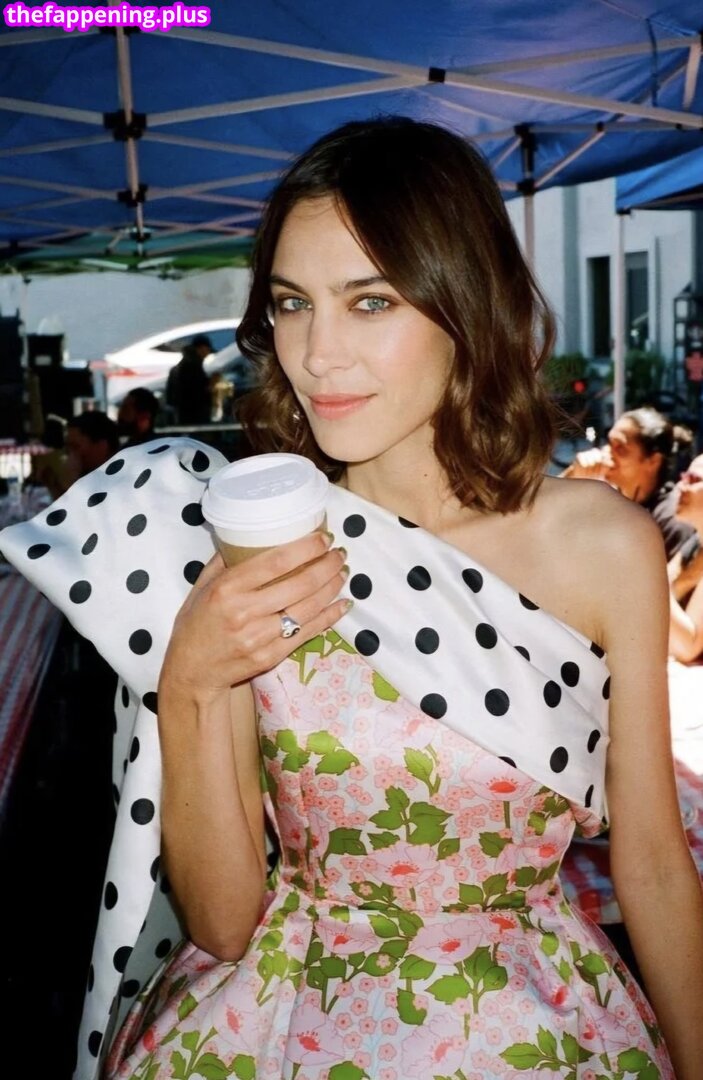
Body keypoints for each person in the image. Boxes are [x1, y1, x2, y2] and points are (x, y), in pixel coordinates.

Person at [91, 117, 703, 1080]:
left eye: (370, 301)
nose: (317, 354)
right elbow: (221, 921)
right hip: (281, 1022)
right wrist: (193, 680)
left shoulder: (601, 545)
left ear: (467, 303)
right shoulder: (247, 547)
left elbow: (656, 865)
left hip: (529, 1030)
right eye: (292, 304)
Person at [562, 406, 698, 559]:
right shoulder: (607, 501)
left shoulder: (672, 519)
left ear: (654, 460)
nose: (607, 453)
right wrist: (571, 476)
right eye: (609, 443)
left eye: (620, 448)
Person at [669, 454, 703, 662]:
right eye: (684, 477)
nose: (681, 486)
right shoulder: (697, 541)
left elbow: (688, 647)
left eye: (694, 479)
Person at [165, 336, 213, 426]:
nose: (208, 353)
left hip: (185, 413)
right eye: (207, 349)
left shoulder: (189, 363)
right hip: (192, 414)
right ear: (200, 348)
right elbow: (194, 391)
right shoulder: (192, 365)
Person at [64, 410, 119, 487]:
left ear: (102, 446)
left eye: (75, 447)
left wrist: (73, 481)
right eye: (68, 447)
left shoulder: (118, 482)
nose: (71, 455)